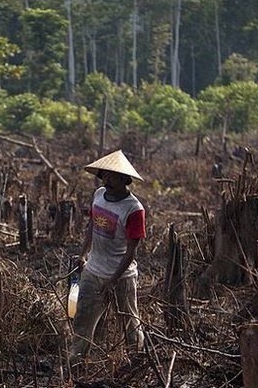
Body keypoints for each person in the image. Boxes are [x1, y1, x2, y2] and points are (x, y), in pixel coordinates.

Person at [70, 150, 146, 365]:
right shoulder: (98, 195)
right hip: (93, 271)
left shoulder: (133, 209)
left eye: (114, 176)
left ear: (125, 180)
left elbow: (132, 251)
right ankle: (76, 364)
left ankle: (137, 363)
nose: (108, 180)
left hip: (122, 277)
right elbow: (92, 226)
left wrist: (113, 281)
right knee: (83, 320)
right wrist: (83, 254)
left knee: (130, 323)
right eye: (105, 175)